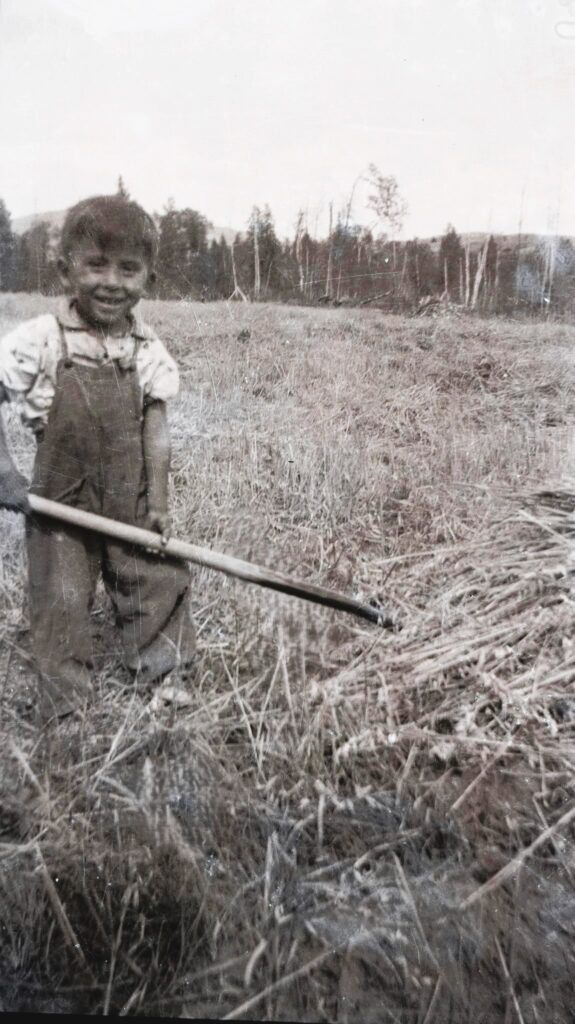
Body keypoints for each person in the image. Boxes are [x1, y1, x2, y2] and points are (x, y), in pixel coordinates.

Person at [0, 194, 196, 723]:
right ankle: (65, 703)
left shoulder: (146, 349)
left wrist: (157, 500)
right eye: (96, 265)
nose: (112, 282)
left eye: (129, 269)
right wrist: (4, 472)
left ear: (148, 278)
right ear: (67, 271)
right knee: (60, 596)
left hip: (128, 497)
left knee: (159, 580)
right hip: (59, 503)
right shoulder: (42, 340)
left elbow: (155, 427)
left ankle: (165, 675)